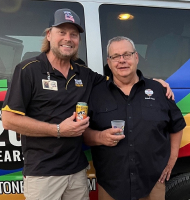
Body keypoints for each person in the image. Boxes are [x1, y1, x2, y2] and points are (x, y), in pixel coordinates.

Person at [1, 9, 173, 200]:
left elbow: (122, 76)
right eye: (62, 32)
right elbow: (9, 120)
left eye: (73, 34)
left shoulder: (83, 73)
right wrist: (59, 129)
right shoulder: (28, 70)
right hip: (43, 173)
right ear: (49, 35)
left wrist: (153, 82)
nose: (68, 38)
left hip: (77, 171)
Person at [83, 36, 186, 200]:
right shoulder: (95, 94)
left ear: (136, 57)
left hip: (152, 183)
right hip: (111, 186)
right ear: (109, 62)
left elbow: (177, 126)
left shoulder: (158, 90)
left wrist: (172, 159)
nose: (122, 61)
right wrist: (100, 137)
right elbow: (82, 132)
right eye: (115, 57)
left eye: (127, 55)